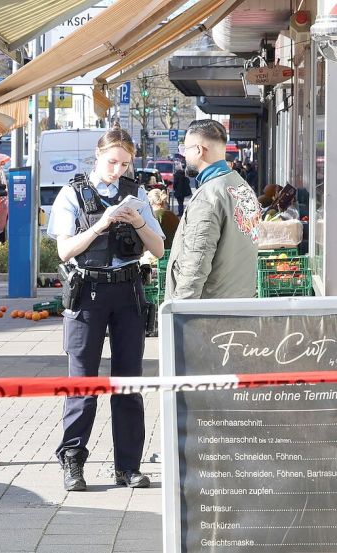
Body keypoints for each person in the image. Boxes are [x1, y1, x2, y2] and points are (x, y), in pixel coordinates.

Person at [46, 128, 165, 492]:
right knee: (82, 382)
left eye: (125, 164)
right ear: (97, 157)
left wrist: (138, 220)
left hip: (128, 291)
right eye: (112, 162)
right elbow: (65, 252)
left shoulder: (136, 193)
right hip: (89, 292)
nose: (117, 170)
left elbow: (158, 248)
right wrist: (101, 224)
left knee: (128, 383)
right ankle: (73, 462)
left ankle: (128, 466)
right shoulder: (73, 193)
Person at [166, 119, 259, 300]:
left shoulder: (208, 197)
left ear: (199, 150)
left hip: (209, 313)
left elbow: (195, 264)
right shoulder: (241, 186)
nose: (184, 156)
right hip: (238, 303)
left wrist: (179, 313)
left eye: (185, 150)